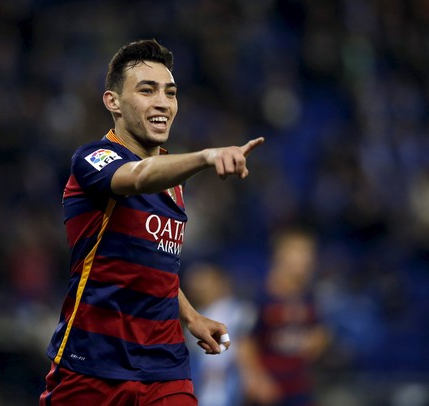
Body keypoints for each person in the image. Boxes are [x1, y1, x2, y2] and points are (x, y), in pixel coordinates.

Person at [39, 39, 264, 405]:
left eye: (170, 92)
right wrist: (208, 155)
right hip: (93, 365)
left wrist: (191, 317)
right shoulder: (92, 159)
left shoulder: (174, 182)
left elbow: (153, 266)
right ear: (113, 101)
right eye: (147, 90)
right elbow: (138, 176)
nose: (163, 102)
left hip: (164, 366)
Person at [237, 228, 332, 406]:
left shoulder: (309, 297)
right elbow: (244, 342)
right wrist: (256, 378)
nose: (305, 259)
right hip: (268, 390)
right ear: (280, 256)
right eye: (298, 252)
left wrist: (319, 341)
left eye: (308, 253)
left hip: (299, 387)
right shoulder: (260, 297)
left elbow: (320, 332)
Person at [182, 262, 257, 406]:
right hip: (203, 388)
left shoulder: (239, 311)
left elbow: (247, 345)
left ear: (220, 281)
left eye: (204, 278)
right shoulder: (193, 321)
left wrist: (250, 373)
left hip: (234, 384)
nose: (198, 285)